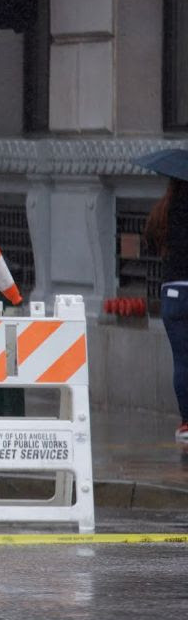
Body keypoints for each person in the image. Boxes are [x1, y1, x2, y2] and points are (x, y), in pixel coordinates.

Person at [143, 176, 188, 454]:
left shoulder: (163, 210)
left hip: (172, 292)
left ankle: (186, 424)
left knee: (182, 360)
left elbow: (149, 243)